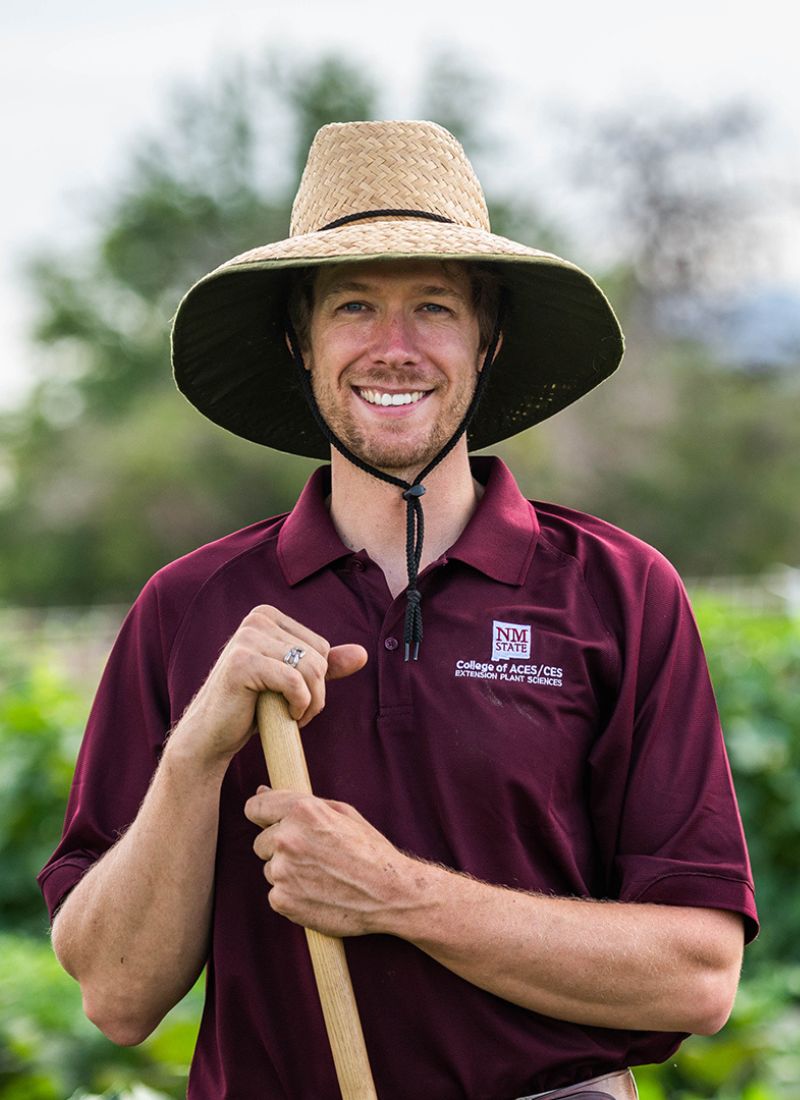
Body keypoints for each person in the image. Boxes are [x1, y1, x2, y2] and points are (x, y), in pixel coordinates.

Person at [39, 120, 757, 1100]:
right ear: (298, 337)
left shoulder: (619, 592)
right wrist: (197, 751)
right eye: (352, 306)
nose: (393, 347)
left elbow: (696, 975)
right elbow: (117, 995)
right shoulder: (189, 606)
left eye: (432, 306)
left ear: (487, 337)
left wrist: (393, 892)